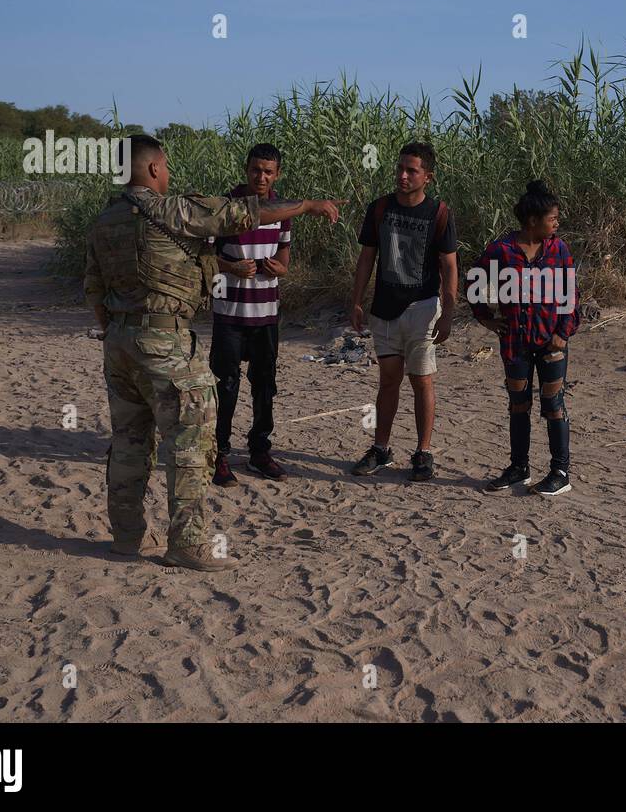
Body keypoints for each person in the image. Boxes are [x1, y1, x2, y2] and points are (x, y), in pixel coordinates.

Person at [84, 134, 317, 571]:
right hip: (166, 342)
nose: (168, 173)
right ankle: (187, 544)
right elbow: (240, 212)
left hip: (118, 343)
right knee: (190, 442)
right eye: (166, 166)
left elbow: (93, 289)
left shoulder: (104, 220)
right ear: (153, 168)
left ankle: (127, 538)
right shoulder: (169, 209)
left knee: (129, 442)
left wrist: (118, 332)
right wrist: (306, 205)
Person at [209, 143, 341, 486]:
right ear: (245, 170)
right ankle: (218, 453)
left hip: (267, 314)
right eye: (256, 170)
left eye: (268, 171)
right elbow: (204, 258)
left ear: (277, 174)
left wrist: (278, 269)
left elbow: (284, 259)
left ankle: (259, 450)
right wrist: (231, 267)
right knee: (225, 385)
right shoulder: (225, 207)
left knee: (264, 385)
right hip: (229, 314)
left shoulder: (283, 211)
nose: (261, 177)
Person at [348, 141, 458, 481]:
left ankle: (423, 453)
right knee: (388, 381)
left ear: (428, 177)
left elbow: (450, 264)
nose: (403, 175)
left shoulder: (439, 213)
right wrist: (355, 300)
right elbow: (367, 257)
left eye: (412, 170)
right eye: (400, 168)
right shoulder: (379, 208)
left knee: (422, 381)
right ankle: (381, 449)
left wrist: (449, 310)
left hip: (423, 308)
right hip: (384, 309)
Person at [469, 180, 579, 496]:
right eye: (552, 218)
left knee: (553, 404)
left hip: (551, 343)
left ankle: (560, 471)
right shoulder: (501, 251)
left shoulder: (558, 250)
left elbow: (571, 295)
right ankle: (519, 469)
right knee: (518, 405)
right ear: (532, 220)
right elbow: (474, 283)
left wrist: (563, 333)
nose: (556, 223)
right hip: (515, 343)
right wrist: (486, 319)